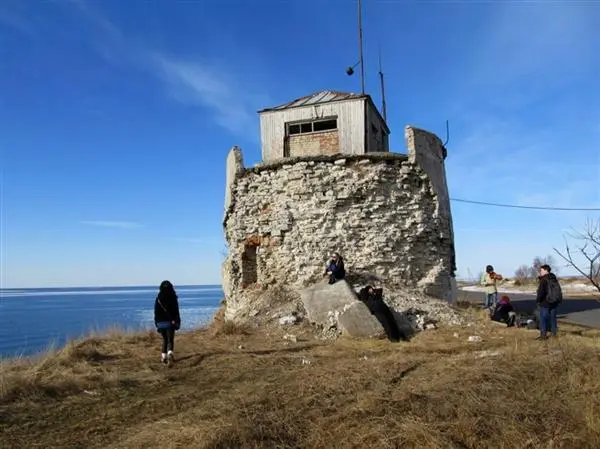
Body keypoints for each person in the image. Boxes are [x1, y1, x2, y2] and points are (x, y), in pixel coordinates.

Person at [154, 280, 181, 365]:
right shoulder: (173, 297)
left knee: (165, 339)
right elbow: (176, 311)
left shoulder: (158, 298)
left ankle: (163, 357)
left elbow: (156, 312)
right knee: (170, 340)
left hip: (160, 323)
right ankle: (170, 354)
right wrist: (177, 321)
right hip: (170, 322)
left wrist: (156, 324)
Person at [535, 264, 562, 340]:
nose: (540, 272)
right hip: (554, 301)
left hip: (545, 302)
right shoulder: (554, 279)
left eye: (541, 270)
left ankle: (543, 335)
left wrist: (538, 300)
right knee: (553, 318)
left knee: (543, 319)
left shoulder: (544, 280)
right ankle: (554, 334)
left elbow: (541, 292)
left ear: (546, 271)